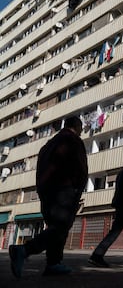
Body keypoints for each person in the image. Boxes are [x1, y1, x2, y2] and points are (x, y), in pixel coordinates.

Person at [9, 116, 88, 278]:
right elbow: (80, 167)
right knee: (61, 227)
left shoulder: (48, 145)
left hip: (46, 191)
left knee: (55, 227)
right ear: (77, 126)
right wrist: (77, 189)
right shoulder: (73, 140)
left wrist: (41, 190)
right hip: (64, 189)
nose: (82, 131)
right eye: (81, 127)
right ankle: (24, 250)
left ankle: (53, 263)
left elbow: (40, 169)